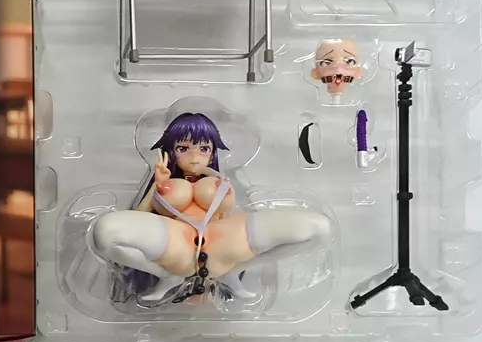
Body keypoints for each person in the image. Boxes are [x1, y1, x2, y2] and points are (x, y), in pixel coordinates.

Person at [91, 111, 332, 305]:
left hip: (224, 240)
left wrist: (242, 262)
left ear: (213, 151)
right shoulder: (163, 181)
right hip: (175, 244)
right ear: (171, 151)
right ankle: (165, 275)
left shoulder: (220, 179)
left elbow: (230, 213)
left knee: (320, 228)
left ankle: (232, 272)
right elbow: (139, 217)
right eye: (183, 148)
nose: (194, 156)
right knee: (104, 231)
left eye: (204, 148)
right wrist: (158, 183)